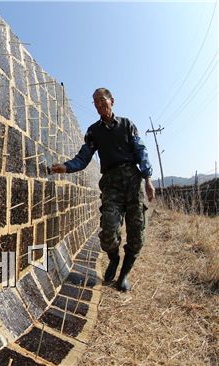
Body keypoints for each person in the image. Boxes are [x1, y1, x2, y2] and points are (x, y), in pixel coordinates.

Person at [51, 87, 155, 292]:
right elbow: (83, 157)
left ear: (111, 100)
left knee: (137, 234)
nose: (99, 105)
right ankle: (114, 259)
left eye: (102, 100)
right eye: (95, 102)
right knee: (108, 231)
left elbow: (141, 151)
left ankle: (123, 276)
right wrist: (66, 167)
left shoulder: (127, 125)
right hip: (111, 184)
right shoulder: (93, 132)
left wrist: (148, 180)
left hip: (133, 183)